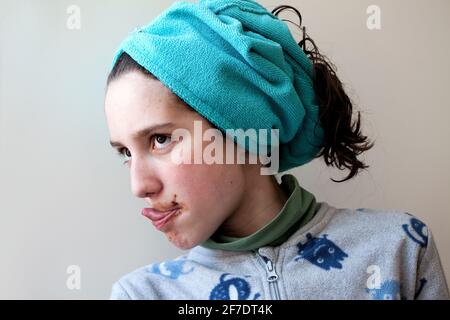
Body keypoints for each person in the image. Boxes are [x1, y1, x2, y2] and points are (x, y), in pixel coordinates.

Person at [104, 0, 449, 299]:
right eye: (125, 153)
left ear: (243, 125)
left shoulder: (397, 250)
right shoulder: (143, 294)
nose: (139, 186)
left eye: (160, 139)